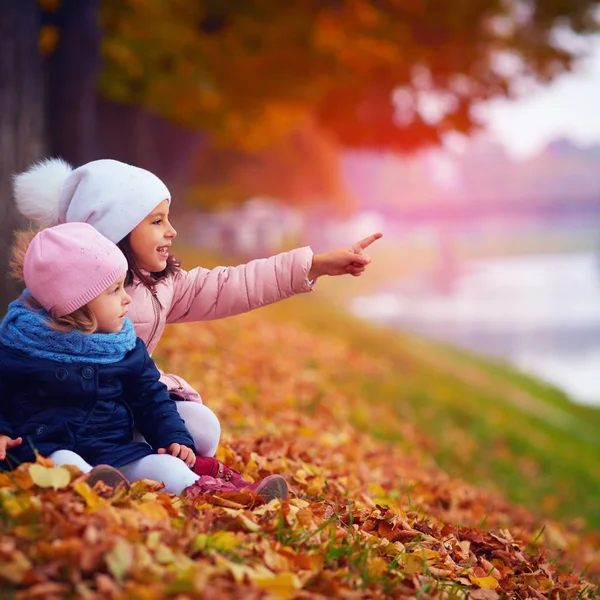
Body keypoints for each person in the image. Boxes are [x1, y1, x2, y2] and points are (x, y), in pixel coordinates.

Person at [12, 158, 382, 485]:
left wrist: (314, 265)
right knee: (66, 456)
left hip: (127, 410)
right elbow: (13, 373)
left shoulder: (160, 286)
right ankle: (96, 473)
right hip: (60, 423)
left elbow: (233, 285)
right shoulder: (58, 299)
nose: (171, 231)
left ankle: (158, 463)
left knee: (202, 426)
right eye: (157, 221)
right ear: (116, 231)